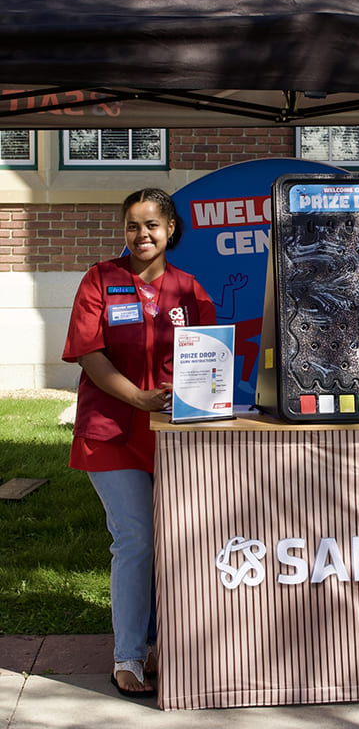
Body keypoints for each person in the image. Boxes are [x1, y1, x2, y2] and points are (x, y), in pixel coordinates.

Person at [62, 188, 216, 697]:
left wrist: (196, 396)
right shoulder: (100, 280)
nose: (141, 235)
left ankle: (164, 643)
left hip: (173, 438)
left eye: (152, 225)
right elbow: (90, 354)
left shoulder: (190, 291)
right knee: (136, 540)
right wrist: (138, 398)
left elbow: (210, 360)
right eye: (132, 225)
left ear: (171, 229)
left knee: (175, 544)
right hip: (112, 430)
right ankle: (127, 654)